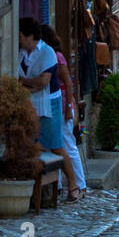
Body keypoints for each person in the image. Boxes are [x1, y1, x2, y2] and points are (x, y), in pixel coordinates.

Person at [17, 18, 81, 201]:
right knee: (32, 146)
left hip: (48, 105)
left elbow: (43, 82)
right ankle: (41, 189)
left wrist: (21, 82)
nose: (19, 39)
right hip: (29, 102)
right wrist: (30, 84)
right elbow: (34, 82)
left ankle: (74, 184)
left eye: (21, 35)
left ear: (30, 36)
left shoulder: (47, 52)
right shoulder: (21, 53)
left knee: (56, 147)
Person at [40, 24, 87, 196]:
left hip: (61, 107)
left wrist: (68, 108)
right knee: (53, 145)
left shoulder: (57, 57)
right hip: (50, 107)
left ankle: (80, 184)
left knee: (67, 144)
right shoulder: (44, 57)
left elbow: (68, 83)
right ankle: (57, 184)